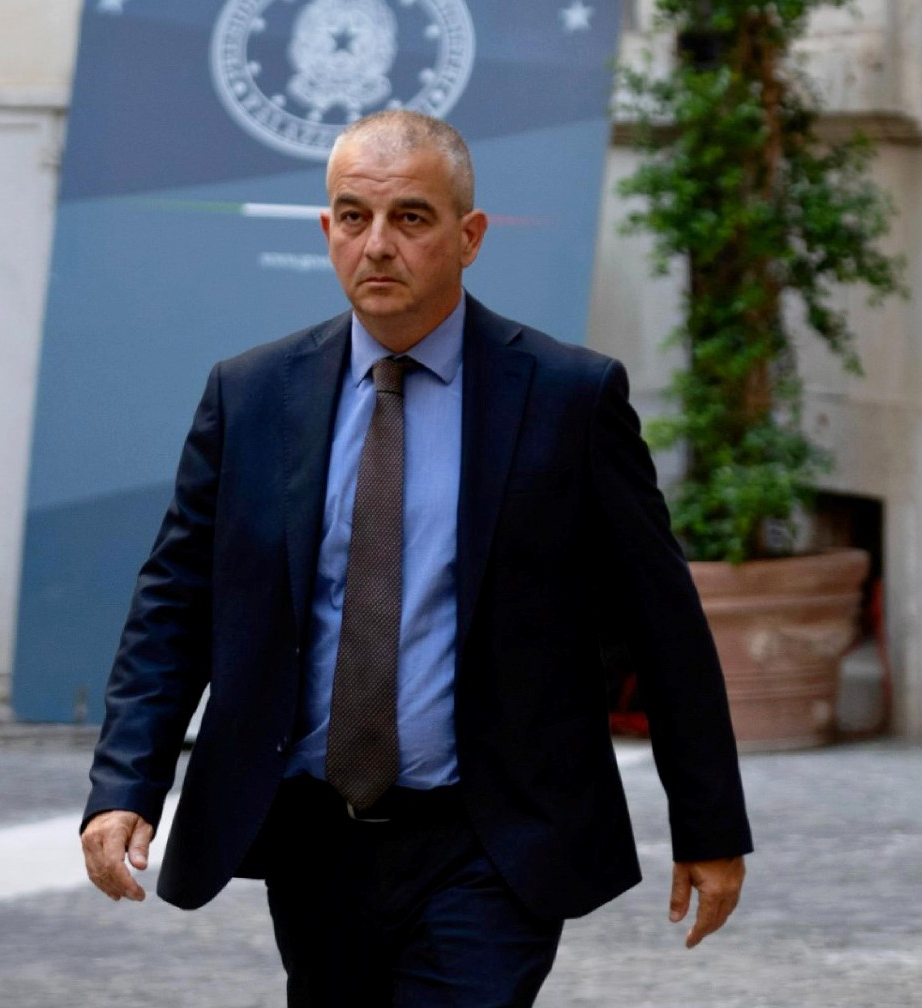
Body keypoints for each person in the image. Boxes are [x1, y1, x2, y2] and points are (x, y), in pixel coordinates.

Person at [79, 110, 752, 1006]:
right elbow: (176, 602)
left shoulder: (568, 398)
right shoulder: (253, 395)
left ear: (469, 237)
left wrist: (709, 824)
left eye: (411, 218)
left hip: (489, 837)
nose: (378, 245)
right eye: (354, 218)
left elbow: (662, 623)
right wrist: (126, 784)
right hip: (314, 837)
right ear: (328, 230)